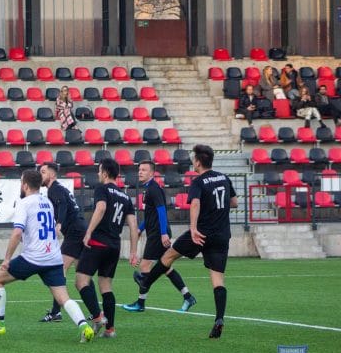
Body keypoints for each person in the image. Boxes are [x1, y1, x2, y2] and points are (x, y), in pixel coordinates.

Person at [0, 170, 94, 342]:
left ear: (24, 185)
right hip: (53, 256)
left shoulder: (24, 203)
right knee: (63, 297)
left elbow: (17, 233)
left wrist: (7, 259)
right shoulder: (47, 202)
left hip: (33, 257)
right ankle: (84, 326)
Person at [136, 145, 237, 338]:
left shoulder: (199, 182)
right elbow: (234, 202)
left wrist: (192, 228)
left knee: (168, 255)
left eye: (193, 159)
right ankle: (219, 319)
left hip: (201, 233)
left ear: (198, 162)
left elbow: (196, 203)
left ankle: (145, 283)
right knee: (217, 281)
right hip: (222, 235)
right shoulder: (224, 178)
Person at [74, 158, 139, 339]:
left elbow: (101, 208)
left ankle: (97, 317)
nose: (97, 173)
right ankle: (110, 329)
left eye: (99, 170)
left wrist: (89, 232)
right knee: (106, 286)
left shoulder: (102, 189)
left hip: (98, 242)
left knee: (81, 281)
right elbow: (133, 225)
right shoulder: (126, 197)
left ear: (104, 173)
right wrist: (134, 251)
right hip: (114, 246)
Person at [123, 161, 196, 313]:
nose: (140, 172)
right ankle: (188, 297)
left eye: (144, 170)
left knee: (144, 266)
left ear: (152, 173)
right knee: (166, 267)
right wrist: (140, 228)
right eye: (139, 170)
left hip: (158, 234)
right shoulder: (149, 189)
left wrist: (163, 233)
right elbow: (151, 215)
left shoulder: (154, 189)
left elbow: (162, 211)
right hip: (155, 232)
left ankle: (140, 304)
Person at [36, 162, 88, 323]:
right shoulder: (59, 188)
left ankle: (56, 312)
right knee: (82, 275)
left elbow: (63, 205)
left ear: (52, 175)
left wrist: (59, 223)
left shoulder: (55, 189)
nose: (40, 175)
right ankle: (96, 312)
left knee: (60, 269)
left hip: (74, 232)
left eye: (43, 172)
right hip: (80, 230)